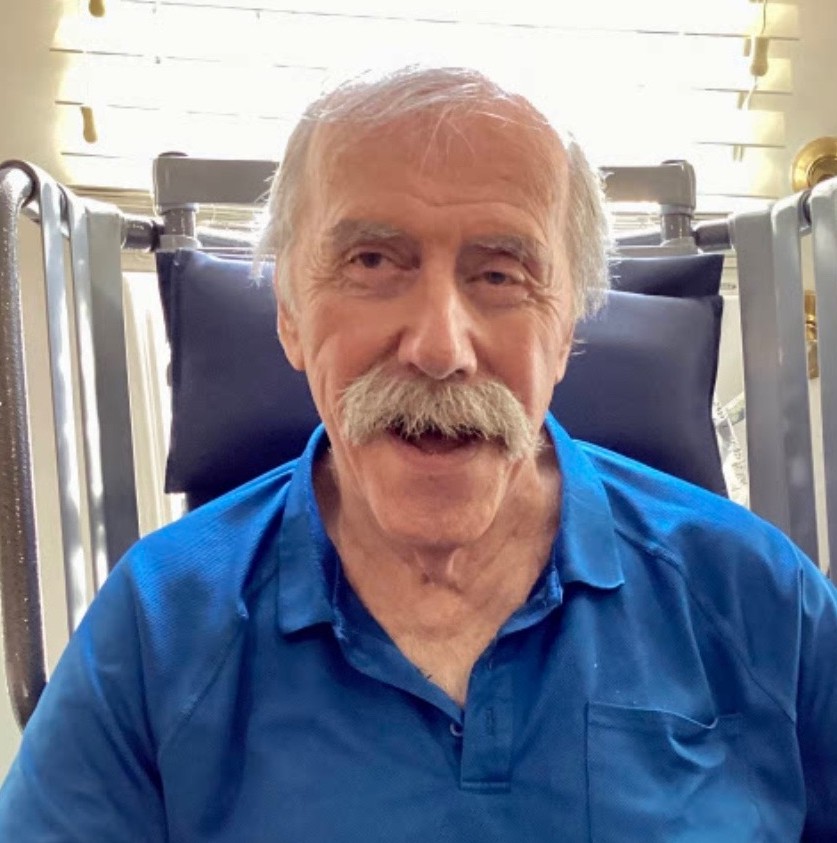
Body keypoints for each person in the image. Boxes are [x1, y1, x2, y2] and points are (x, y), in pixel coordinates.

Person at [1, 65, 835, 842]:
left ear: (566, 328)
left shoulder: (757, 595)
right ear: (289, 312)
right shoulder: (157, 626)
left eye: (500, 274)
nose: (440, 347)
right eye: (371, 261)